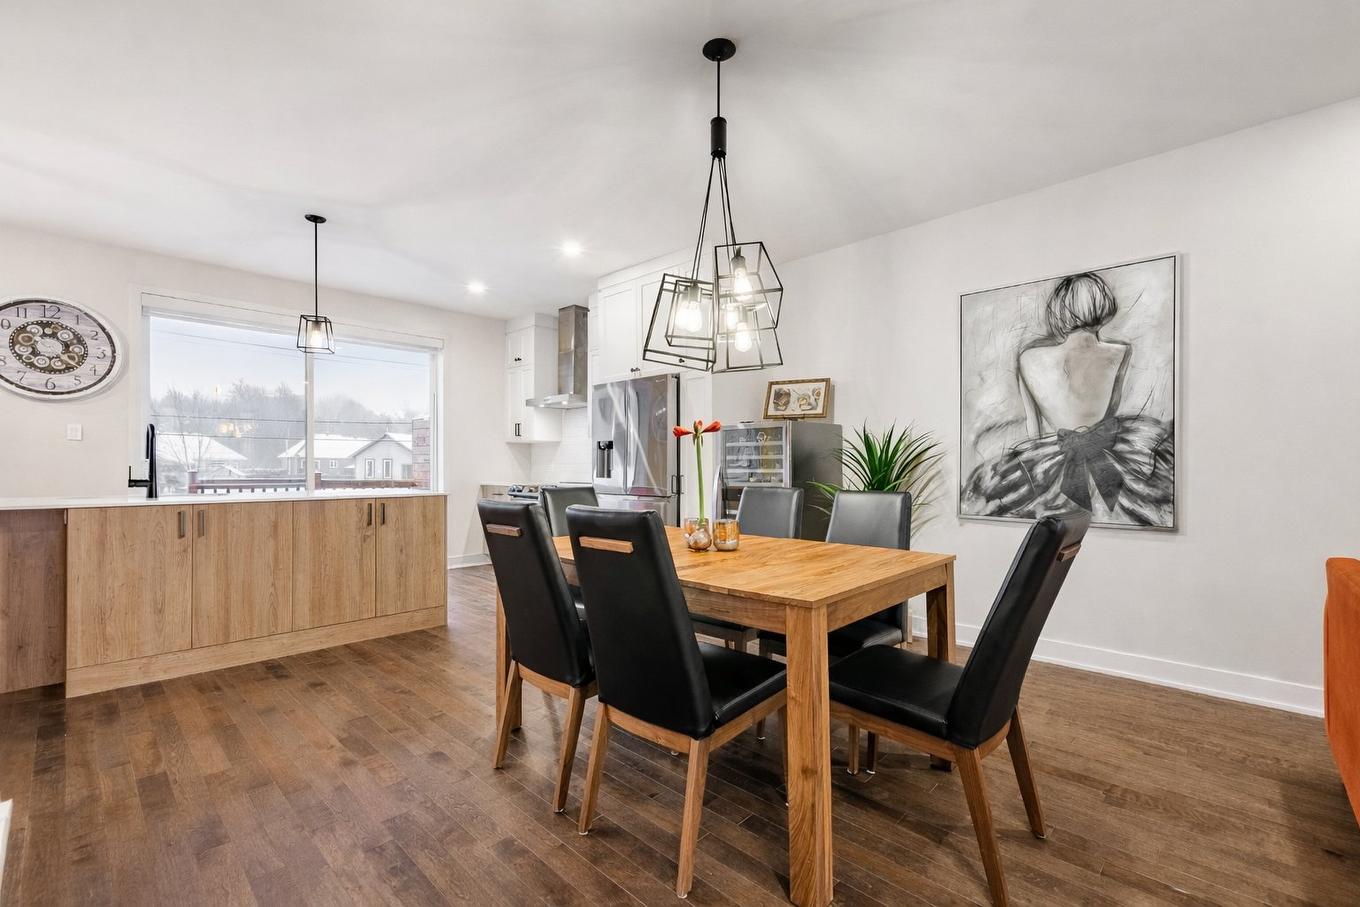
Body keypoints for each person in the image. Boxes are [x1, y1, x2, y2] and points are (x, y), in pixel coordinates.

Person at [963, 272, 1173, 526]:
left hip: (1053, 455)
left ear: (1059, 310)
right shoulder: (1121, 351)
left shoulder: (1029, 358)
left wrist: (1040, 468)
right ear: (1103, 304)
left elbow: (1034, 430)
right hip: (1112, 451)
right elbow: (1114, 408)